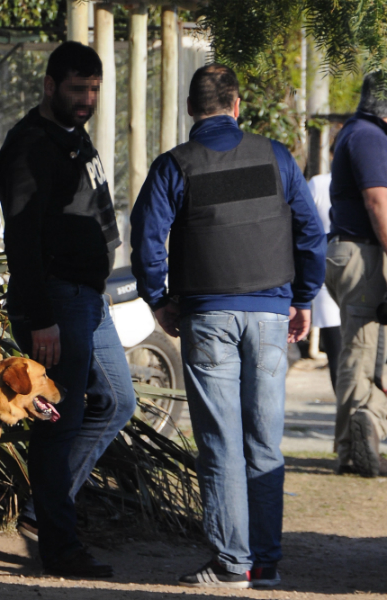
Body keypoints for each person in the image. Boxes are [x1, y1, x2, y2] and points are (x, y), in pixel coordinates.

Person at [130, 64, 325, 589]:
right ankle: (265, 564)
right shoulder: (276, 157)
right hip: (268, 315)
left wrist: (159, 299)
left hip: (207, 316)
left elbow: (148, 235)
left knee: (221, 443)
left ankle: (231, 564)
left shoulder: (176, 164)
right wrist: (302, 297)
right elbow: (310, 230)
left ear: (192, 109)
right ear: (237, 106)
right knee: (264, 442)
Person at [0, 41, 135, 579]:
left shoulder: (72, 136)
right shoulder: (31, 145)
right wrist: (39, 316)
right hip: (56, 301)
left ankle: (43, 513)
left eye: (94, 89)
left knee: (118, 401)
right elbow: (23, 237)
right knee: (58, 421)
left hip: (89, 300)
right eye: (77, 89)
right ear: (50, 86)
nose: (87, 99)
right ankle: (60, 546)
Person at [326, 71, 387, 478]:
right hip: (363, 252)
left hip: (355, 251)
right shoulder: (369, 136)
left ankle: (357, 437)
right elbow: (377, 201)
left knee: (364, 349)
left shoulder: (357, 131)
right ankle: (361, 431)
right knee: (362, 351)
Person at [307, 171, 341, 393]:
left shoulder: (319, 184)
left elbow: (306, 228)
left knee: (337, 351)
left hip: (326, 268)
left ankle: (347, 416)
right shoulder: (320, 183)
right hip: (334, 272)